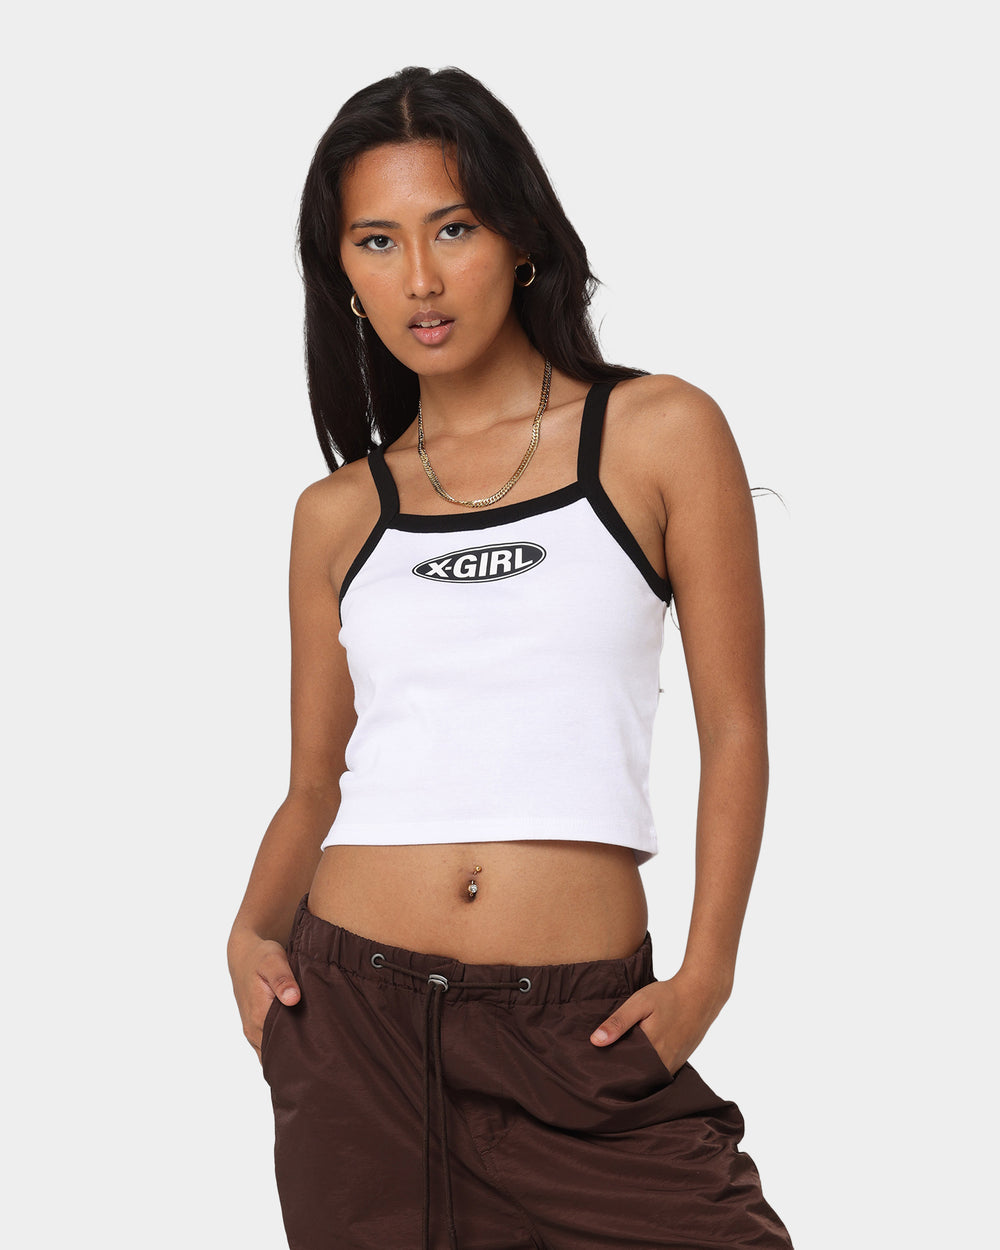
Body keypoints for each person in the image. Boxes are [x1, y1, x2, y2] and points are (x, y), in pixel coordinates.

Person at [227, 65, 794, 1250]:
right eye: (377, 241)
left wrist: (707, 972)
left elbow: (735, 726)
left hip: (579, 1033)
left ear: (521, 238)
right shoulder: (336, 513)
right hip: (355, 1034)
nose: (419, 279)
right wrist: (246, 932)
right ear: (342, 273)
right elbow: (314, 784)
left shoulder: (657, 432)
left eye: (453, 228)